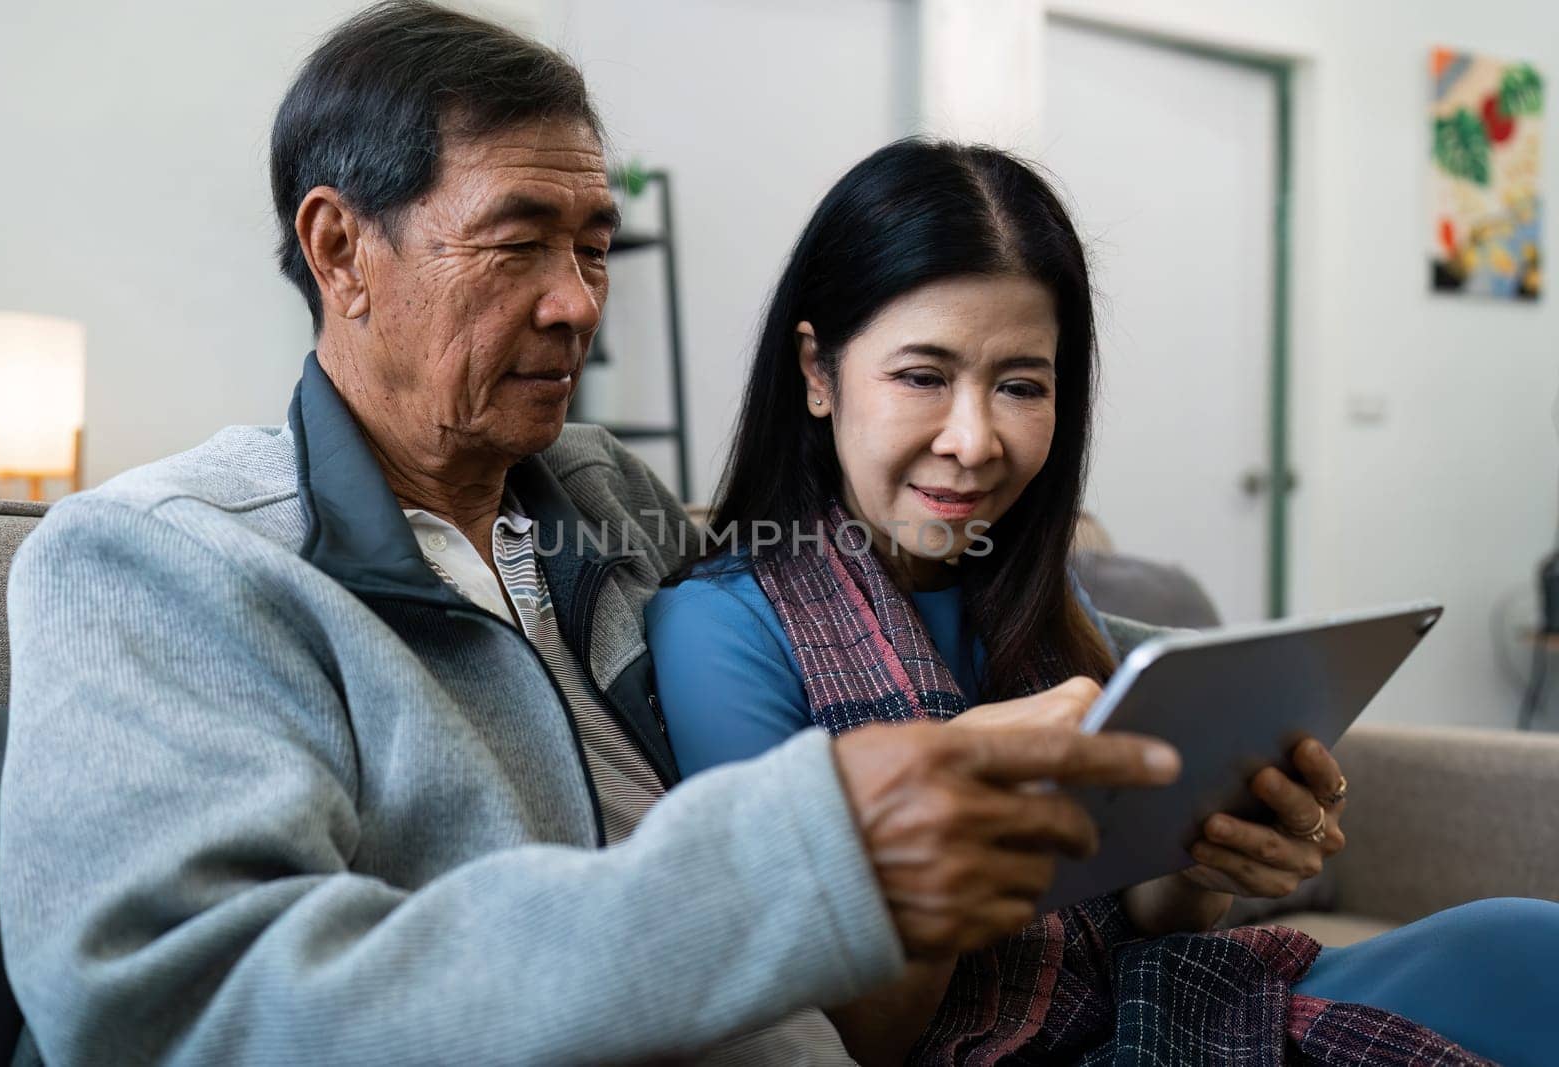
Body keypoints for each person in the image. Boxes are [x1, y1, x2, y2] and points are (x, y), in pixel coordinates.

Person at [0, 5, 1187, 1064]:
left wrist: (1190, 716)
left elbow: (851, 592)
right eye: (518, 244)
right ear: (339, 250)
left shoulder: (597, 492)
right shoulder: (162, 560)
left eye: (594, 247)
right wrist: (806, 858)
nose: (576, 304)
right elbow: (173, 1006)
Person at [646, 139, 1559, 1066]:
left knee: (1525, 942)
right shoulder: (723, 630)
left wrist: (1198, 862)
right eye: (922, 376)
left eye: (1020, 386)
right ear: (817, 372)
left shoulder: (1032, 591)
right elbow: (823, 1037)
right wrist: (947, 844)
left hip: (1164, 1007)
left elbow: (1142, 922)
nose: (973, 440)